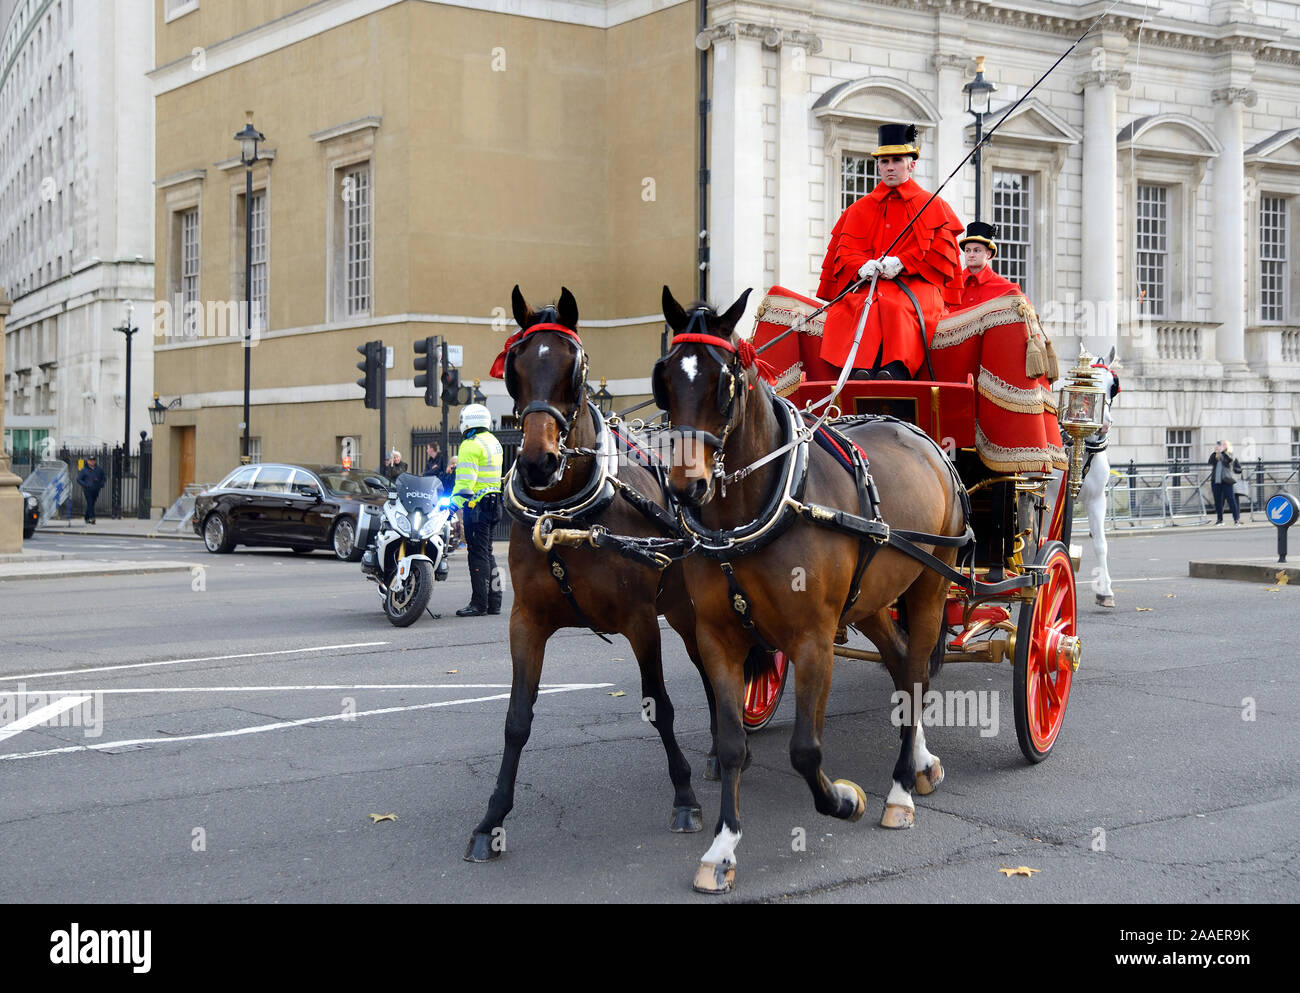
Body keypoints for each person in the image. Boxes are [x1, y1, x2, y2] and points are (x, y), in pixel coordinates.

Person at [816, 123, 965, 380]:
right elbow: (845, 253)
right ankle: (859, 369)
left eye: (897, 160)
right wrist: (860, 266)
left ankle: (896, 369)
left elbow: (942, 256)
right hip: (869, 287)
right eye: (884, 161)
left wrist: (904, 263)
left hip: (917, 286)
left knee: (895, 306)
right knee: (856, 306)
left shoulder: (934, 205)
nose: (890, 167)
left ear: (912, 164)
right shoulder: (858, 209)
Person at [449, 404, 503, 616]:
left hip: (477, 507)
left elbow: (464, 485)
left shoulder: (470, 445)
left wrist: (452, 505)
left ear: (470, 421)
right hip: (494, 504)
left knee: (477, 556)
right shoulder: (493, 442)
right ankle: (495, 602)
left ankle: (479, 603)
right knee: (489, 553)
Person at [954, 221, 1022, 310]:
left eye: (976, 250)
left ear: (988, 254)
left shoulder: (1006, 287)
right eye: (967, 250)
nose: (971, 255)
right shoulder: (952, 284)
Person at [1208, 440, 1243, 526]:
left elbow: (1228, 460)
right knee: (1218, 501)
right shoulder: (1215, 455)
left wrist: (1222, 452)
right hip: (1216, 480)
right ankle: (1220, 519)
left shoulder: (1229, 454)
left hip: (1227, 480)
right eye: (1219, 445)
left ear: (1226, 446)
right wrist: (1216, 452)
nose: (1220, 446)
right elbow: (1211, 461)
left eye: (1223, 445)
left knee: (1231, 499)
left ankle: (1236, 519)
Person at [76, 454, 105, 524]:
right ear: (88, 461)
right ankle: (92, 518)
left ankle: (86, 517)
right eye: (90, 460)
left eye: (93, 460)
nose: (92, 462)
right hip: (87, 489)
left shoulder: (99, 469)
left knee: (92, 503)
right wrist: (85, 484)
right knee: (89, 502)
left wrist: (101, 484)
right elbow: (79, 479)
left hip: (96, 488)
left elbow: (103, 478)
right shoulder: (84, 470)